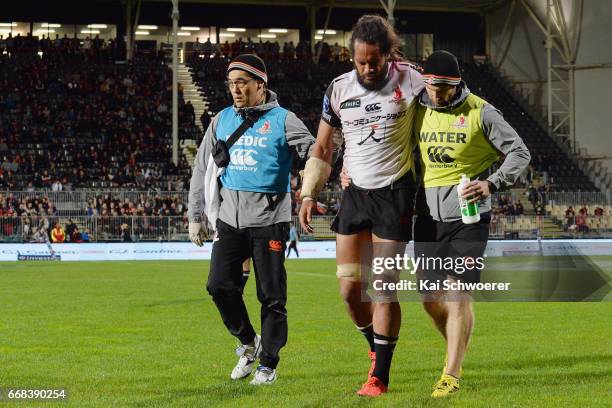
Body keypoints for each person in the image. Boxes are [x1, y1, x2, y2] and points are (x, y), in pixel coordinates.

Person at [299, 15, 423, 397]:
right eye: (361, 62)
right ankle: (376, 349)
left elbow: (453, 99)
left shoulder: (412, 79)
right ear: (351, 57)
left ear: (389, 54)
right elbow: (323, 145)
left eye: (375, 61)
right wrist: (308, 192)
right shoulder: (338, 89)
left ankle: (380, 378)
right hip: (355, 195)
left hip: (394, 193)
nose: (368, 68)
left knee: (383, 289)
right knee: (351, 291)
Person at [188, 54, 314, 385]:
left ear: (261, 83)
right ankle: (248, 341)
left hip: (270, 220)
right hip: (229, 220)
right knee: (218, 285)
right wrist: (195, 216)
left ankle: (268, 363)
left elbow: (315, 153)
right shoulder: (221, 120)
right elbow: (202, 169)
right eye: (231, 84)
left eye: (242, 82)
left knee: (271, 295)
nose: (236, 89)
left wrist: (309, 185)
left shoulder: (285, 120)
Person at [412, 50, 531, 397]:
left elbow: (520, 151)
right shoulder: (416, 109)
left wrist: (491, 182)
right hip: (428, 217)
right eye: (432, 86)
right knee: (429, 299)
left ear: (458, 83)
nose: (437, 94)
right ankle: (457, 349)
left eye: (445, 88)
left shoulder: (482, 111)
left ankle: (450, 373)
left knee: (457, 290)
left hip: (470, 216)